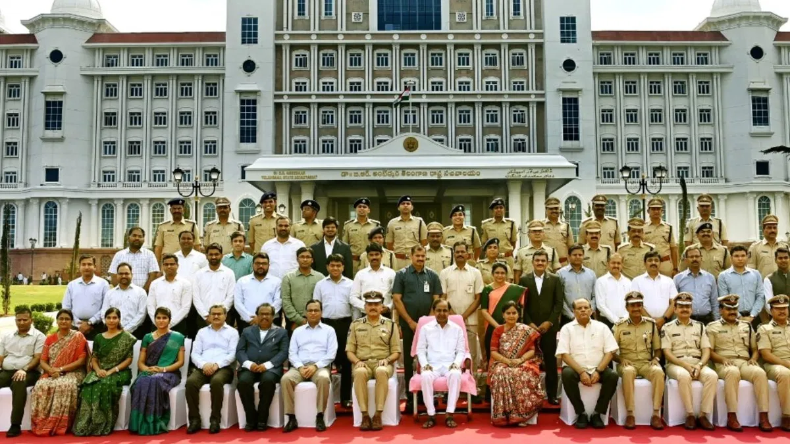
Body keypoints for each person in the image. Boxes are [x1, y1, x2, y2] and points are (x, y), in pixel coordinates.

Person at [707, 294, 772, 432]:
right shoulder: (712, 327)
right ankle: (732, 416)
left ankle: (764, 416)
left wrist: (754, 358)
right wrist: (722, 359)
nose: (732, 312)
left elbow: (755, 349)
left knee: (760, 373)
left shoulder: (747, 326)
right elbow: (710, 352)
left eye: (734, 309)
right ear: (720, 310)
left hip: (744, 361)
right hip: (724, 362)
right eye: (728, 309)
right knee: (732, 372)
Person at [556, 298, 619, 429]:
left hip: (598, 368)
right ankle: (581, 413)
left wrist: (599, 371)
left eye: (586, 307)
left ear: (591, 310)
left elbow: (610, 351)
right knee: (566, 374)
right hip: (576, 369)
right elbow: (564, 355)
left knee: (612, 376)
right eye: (579, 308)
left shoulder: (602, 327)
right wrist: (581, 372)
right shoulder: (567, 329)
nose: (583, 310)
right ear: (573, 312)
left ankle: (597, 413)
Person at [72, 308, 136, 436]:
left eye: (114, 318)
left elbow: (128, 360)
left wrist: (111, 371)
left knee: (104, 384)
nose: (111, 320)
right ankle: (86, 423)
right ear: (104, 320)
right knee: (88, 385)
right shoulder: (99, 337)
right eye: (109, 318)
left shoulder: (127, 337)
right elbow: (94, 358)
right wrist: (98, 370)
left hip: (119, 372)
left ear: (119, 319)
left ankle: (102, 423)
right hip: (100, 370)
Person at [393, 245, 442, 409]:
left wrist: (426, 322)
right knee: (409, 360)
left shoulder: (433, 276)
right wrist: (410, 322)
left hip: (429, 326)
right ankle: (410, 394)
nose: (420, 259)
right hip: (409, 325)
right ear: (411, 256)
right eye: (417, 256)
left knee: (429, 358)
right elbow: (397, 300)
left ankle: (428, 394)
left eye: (423, 256)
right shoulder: (401, 275)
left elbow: (436, 300)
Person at [661, 293, 717, 430]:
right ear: (674, 309)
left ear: (691, 309)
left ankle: (703, 415)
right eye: (681, 306)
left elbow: (706, 350)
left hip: (697, 362)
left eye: (687, 306)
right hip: (676, 364)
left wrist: (699, 365)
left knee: (712, 376)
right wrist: (685, 365)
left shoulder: (700, 326)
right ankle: (690, 414)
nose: (684, 309)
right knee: (684, 376)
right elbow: (667, 353)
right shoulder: (667, 328)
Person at [346, 292, 401, 431]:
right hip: (362, 362)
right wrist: (357, 361)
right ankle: (364, 415)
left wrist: (387, 360)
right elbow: (349, 350)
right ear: (364, 307)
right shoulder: (356, 325)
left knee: (382, 372)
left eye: (376, 304)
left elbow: (396, 351)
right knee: (359, 373)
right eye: (370, 304)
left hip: (382, 362)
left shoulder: (391, 325)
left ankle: (378, 414)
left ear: (382, 307)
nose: (373, 307)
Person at [281, 300, 337, 432]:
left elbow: (331, 353)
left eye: (316, 310)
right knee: (286, 379)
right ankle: (291, 417)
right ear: (306, 313)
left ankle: (320, 416)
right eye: (310, 310)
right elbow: (292, 353)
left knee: (323, 378)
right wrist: (300, 367)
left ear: (321, 313)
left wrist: (315, 366)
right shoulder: (297, 331)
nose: (313, 313)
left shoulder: (329, 330)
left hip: (320, 367)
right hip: (299, 367)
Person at [30, 309, 88, 436]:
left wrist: (60, 369)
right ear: (57, 321)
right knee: (41, 385)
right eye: (61, 318)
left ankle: (61, 425)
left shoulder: (78, 336)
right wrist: (51, 370)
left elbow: (81, 361)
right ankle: (43, 423)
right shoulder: (50, 338)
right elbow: (43, 360)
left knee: (64, 385)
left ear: (71, 321)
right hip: (52, 372)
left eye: (67, 319)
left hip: (74, 372)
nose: (64, 321)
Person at [611, 292, 664, 430]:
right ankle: (630, 413)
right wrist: (621, 359)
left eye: (639, 305)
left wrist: (656, 359)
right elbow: (610, 350)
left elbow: (658, 348)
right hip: (627, 362)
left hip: (646, 363)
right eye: (632, 305)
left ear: (642, 306)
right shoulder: (619, 326)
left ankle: (656, 413)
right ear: (627, 307)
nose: (636, 308)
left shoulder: (651, 324)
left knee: (659, 372)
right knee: (628, 372)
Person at [129, 307, 186, 435]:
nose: (161, 320)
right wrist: (147, 370)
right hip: (149, 371)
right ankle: (138, 423)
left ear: (169, 320)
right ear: (154, 319)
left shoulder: (177, 337)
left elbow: (180, 362)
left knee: (155, 381)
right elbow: (140, 362)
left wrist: (163, 369)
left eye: (164, 318)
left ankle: (153, 422)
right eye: (158, 318)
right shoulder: (147, 337)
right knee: (141, 382)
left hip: (169, 373)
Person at [488, 300, 544, 427]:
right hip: (502, 361)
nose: (511, 315)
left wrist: (519, 360)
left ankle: (520, 415)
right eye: (508, 313)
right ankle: (505, 415)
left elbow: (531, 351)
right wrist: (507, 361)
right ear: (503, 315)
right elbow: (493, 352)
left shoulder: (525, 330)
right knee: (501, 373)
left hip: (524, 361)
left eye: (514, 313)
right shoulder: (498, 330)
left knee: (522, 374)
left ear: (518, 314)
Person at [519, 249, 564, 404]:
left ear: (547, 263)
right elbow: (522, 304)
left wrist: (549, 322)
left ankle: (552, 395)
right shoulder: (524, 279)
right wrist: (529, 323)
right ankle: (529, 394)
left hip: (549, 327)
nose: (540, 263)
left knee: (551, 361)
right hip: (529, 327)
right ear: (532, 262)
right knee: (529, 361)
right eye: (537, 260)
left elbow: (558, 304)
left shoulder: (555, 279)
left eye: (543, 261)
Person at [186, 304, 239, 434]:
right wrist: (204, 365)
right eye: (213, 314)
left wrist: (216, 365)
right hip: (203, 367)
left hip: (224, 368)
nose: (216, 316)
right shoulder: (202, 332)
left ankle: (215, 420)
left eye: (219, 314)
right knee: (190, 383)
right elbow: (195, 354)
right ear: (209, 316)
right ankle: (194, 420)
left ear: (225, 316)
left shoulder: (232, 332)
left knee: (216, 382)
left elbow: (232, 354)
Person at [236, 303, 289, 432]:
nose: (264, 316)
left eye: (268, 314)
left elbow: (283, 352)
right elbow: (240, 351)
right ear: (257, 316)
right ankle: (251, 417)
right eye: (262, 314)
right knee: (243, 382)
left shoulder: (281, 332)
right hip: (250, 367)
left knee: (268, 381)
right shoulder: (247, 331)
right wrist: (249, 364)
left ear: (273, 316)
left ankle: (262, 418)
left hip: (271, 369)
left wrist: (267, 365)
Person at [417, 299, 466, 429]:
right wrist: (424, 364)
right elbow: (420, 350)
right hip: (432, 364)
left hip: (450, 364)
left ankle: (449, 414)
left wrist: (456, 363)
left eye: (445, 310)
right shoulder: (425, 328)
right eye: (439, 310)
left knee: (456, 374)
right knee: (425, 376)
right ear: (434, 311)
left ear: (449, 312)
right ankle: (431, 414)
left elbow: (461, 351)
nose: (442, 313)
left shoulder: (457, 329)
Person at [312, 255, 354, 406]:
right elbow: (317, 306)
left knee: (347, 362)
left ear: (343, 267)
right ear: (327, 267)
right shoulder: (320, 285)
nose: (335, 268)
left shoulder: (351, 284)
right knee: (327, 360)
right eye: (332, 265)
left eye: (338, 265)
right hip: (327, 325)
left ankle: (345, 398)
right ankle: (327, 400)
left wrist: (353, 326)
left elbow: (354, 306)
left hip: (346, 324)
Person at [0, 308, 45, 438]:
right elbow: (1, 357)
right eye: (18, 320)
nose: (21, 322)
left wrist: (24, 369)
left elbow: (37, 358)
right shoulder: (7, 336)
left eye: (25, 320)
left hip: (29, 371)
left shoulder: (39, 336)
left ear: (31, 320)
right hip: (7, 371)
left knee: (18, 382)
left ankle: (15, 425)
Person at [440, 242, 484, 369]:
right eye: (457, 252)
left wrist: (463, 316)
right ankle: (454, 383)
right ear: (453, 254)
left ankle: (472, 384)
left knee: (471, 354)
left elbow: (478, 298)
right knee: (451, 353)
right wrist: (455, 316)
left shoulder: (475, 273)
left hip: (470, 321)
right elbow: (443, 297)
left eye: (462, 252)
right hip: (449, 320)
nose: (460, 254)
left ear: (468, 254)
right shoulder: (445, 273)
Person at [480, 263, 527, 366]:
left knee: (510, 354)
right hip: (491, 327)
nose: (499, 275)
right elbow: (484, 311)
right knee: (492, 354)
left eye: (502, 273)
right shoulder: (487, 289)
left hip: (511, 327)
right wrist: (498, 327)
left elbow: (520, 309)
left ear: (506, 274)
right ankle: (491, 380)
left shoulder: (515, 289)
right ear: (492, 274)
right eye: (497, 273)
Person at [757, 294, 790, 432]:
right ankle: (787, 416)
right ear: (771, 311)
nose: (782, 311)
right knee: (785, 373)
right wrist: (787, 364)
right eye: (778, 308)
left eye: (785, 308)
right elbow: (766, 355)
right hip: (774, 365)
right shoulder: (764, 329)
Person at [192, 244, 236, 336]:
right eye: (210, 254)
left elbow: (231, 296)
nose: (213, 257)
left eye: (216, 254)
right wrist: (206, 315)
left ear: (222, 255)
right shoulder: (199, 274)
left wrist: (219, 314)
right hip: (203, 318)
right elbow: (196, 297)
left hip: (224, 317)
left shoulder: (229, 273)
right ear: (206, 256)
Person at [63, 254, 109, 340]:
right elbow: (66, 307)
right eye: (83, 264)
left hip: (96, 327)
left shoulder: (103, 284)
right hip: (75, 327)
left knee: (94, 353)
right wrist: (78, 323)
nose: (86, 267)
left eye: (89, 264)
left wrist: (90, 322)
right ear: (79, 267)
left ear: (95, 267)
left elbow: (105, 307)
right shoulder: (72, 285)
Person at [718, 245, 765, 330]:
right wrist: (739, 316)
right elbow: (724, 298)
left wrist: (752, 316)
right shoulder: (723, 276)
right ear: (731, 258)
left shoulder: (756, 274)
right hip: (732, 317)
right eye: (736, 256)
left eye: (743, 256)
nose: (740, 258)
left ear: (747, 257)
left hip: (753, 318)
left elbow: (760, 296)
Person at [235, 253, 282, 334]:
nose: (260, 266)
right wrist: (251, 318)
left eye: (264, 263)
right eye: (258, 263)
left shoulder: (277, 282)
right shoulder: (242, 281)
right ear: (252, 265)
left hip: (271, 322)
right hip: (248, 323)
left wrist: (262, 317)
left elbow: (278, 302)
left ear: (268, 265)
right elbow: (237, 302)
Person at [631, 251, 678, 330]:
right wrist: (651, 321)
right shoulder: (636, 281)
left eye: (656, 260)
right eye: (650, 260)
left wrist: (663, 319)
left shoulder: (668, 280)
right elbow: (636, 303)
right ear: (644, 263)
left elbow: (674, 302)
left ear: (660, 263)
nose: (653, 262)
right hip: (643, 323)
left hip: (666, 323)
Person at [148, 253, 192, 336]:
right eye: (166, 264)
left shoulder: (185, 284)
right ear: (163, 266)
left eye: (172, 264)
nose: (169, 266)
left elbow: (185, 307)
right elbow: (150, 305)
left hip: (178, 325)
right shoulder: (155, 283)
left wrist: (169, 324)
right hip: (157, 325)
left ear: (177, 266)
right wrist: (157, 322)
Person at [101, 263, 148, 339]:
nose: (123, 276)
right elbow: (104, 313)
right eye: (121, 273)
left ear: (131, 275)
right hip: (111, 332)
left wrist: (125, 330)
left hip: (134, 333)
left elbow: (141, 314)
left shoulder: (140, 292)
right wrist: (112, 327)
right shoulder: (110, 293)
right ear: (117, 275)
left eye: (126, 273)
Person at [282, 247, 325, 330]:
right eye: (302, 257)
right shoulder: (288, 278)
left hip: (317, 322)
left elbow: (324, 299)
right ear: (297, 259)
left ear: (312, 260)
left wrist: (315, 319)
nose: (305, 259)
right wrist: (299, 320)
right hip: (294, 323)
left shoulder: (320, 277)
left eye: (308, 257)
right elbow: (286, 301)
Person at [674, 246, 719, 324]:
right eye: (691, 257)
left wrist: (716, 321)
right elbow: (674, 303)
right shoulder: (678, 278)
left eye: (697, 256)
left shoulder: (710, 278)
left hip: (707, 320)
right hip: (686, 320)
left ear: (701, 258)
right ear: (686, 260)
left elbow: (714, 302)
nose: (694, 259)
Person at [351, 243, 396, 318]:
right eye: (371, 255)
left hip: (385, 314)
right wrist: (366, 306)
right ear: (367, 257)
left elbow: (396, 296)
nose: (374, 257)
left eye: (376, 254)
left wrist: (388, 307)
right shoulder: (360, 274)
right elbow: (353, 297)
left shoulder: (391, 273)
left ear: (381, 255)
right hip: (365, 315)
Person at [109, 227, 159, 291]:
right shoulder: (119, 255)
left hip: (144, 295)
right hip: (123, 294)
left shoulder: (150, 254)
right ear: (128, 238)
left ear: (143, 239)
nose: (137, 238)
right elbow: (113, 275)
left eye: (140, 236)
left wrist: (143, 292)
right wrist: (122, 291)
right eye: (134, 235)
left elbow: (153, 275)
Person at [558, 244, 597, 325]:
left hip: (588, 317)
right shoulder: (560, 274)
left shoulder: (591, 274)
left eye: (580, 255)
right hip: (568, 318)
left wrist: (589, 312)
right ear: (568, 257)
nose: (577, 257)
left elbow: (594, 296)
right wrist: (571, 315)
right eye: (574, 255)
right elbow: (560, 298)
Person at [385, 195, 428, 270]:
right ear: (398, 207)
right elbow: (389, 244)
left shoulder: (419, 222)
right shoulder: (392, 223)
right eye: (403, 203)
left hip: (414, 259)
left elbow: (424, 242)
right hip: (397, 259)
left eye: (408, 204)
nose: (405, 205)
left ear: (412, 207)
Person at [342, 197, 381, 275]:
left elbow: (379, 244)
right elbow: (344, 245)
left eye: (364, 207)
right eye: (359, 207)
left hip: (369, 260)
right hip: (353, 261)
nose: (362, 209)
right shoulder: (348, 225)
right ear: (356, 210)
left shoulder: (375, 225)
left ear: (368, 210)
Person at [155, 198, 200, 262]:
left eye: (179, 208)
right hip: (167, 262)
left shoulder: (192, 225)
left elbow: (197, 245)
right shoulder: (163, 226)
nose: (177, 211)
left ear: (183, 210)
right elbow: (158, 247)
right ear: (170, 210)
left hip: (187, 260)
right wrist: (157, 265)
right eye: (174, 209)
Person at [643, 198, 679, 277]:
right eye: (653, 209)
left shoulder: (669, 227)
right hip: (649, 263)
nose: (656, 211)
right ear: (648, 211)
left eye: (658, 209)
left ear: (662, 211)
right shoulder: (643, 227)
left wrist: (675, 268)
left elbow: (673, 248)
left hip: (665, 263)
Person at [594, 253, 631, 329]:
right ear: (607, 264)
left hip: (626, 321)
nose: (616, 266)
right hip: (607, 321)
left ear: (622, 265)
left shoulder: (628, 282)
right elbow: (600, 305)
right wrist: (616, 320)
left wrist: (625, 318)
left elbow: (630, 302)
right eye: (613, 263)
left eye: (618, 263)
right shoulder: (601, 281)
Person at [481, 198, 518, 271]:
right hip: (491, 258)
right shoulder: (486, 224)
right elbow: (484, 242)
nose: (499, 210)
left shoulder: (511, 223)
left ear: (504, 209)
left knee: (508, 280)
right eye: (496, 208)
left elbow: (513, 242)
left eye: (501, 207)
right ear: (492, 211)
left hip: (507, 258)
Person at [542, 197, 574, 267]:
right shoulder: (541, 225)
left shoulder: (566, 226)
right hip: (545, 264)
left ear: (559, 210)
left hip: (563, 264)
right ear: (546, 210)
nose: (554, 210)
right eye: (551, 209)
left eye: (556, 208)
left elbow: (571, 247)